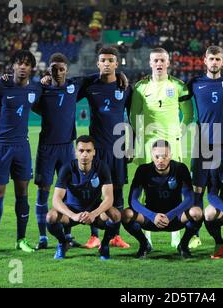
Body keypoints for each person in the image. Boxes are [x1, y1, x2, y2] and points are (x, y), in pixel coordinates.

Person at [0, 50, 42, 254]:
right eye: (19, 63)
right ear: (13, 66)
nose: (22, 67)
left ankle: (21, 240)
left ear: (32, 68)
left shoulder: (36, 88)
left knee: (22, 193)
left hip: (22, 147)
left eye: (26, 64)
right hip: (1, 147)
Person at [130, 47, 194, 248]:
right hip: (148, 144)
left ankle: (176, 235)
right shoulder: (140, 87)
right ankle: (146, 234)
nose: (159, 64)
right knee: (145, 188)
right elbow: (134, 116)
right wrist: (139, 138)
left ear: (168, 63)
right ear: (150, 63)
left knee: (176, 187)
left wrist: (178, 133)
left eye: (162, 60)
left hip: (173, 144)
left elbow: (189, 115)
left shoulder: (178, 86)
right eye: (155, 60)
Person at [185, 45, 223, 249]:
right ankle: (194, 234)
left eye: (218, 59)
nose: (215, 62)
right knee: (198, 191)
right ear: (205, 60)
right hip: (201, 145)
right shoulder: (195, 83)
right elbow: (175, 96)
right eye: (212, 59)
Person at [30, 52, 88, 250]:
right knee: (43, 191)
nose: (58, 72)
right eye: (54, 68)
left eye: (61, 68)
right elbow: (32, 100)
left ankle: (68, 235)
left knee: (69, 191)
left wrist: (121, 76)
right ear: (49, 70)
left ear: (67, 70)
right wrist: (39, 82)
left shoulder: (74, 86)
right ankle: (43, 238)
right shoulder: (42, 89)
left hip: (67, 148)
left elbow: (98, 77)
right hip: (46, 148)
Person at [77, 46, 132, 249]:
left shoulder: (125, 87)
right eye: (103, 60)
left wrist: (131, 145)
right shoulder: (89, 85)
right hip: (97, 149)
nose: (107, 63)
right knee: (94, 191)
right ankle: (94, 236)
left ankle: (115, 236)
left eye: (111, 60)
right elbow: (67, 92)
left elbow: (134, 118)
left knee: (117, 190)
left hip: (118, 147)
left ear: (117, 64)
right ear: (98, 63)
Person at [122, 140, 202, 259]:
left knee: (197, 212)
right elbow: (133, 200)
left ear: (170, 155)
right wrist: (152, 216)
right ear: (151, 156)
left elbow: (190, 198)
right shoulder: (143, 170)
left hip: (175, 218)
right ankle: (144, 245)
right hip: (150, 218)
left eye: (164, 156)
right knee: (126, 214)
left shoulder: (180, 168)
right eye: (157, 156)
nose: (160, 160)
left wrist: (170, 215)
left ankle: (183, 246)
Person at [46, 135, 121, 260]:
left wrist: (93, 214)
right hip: (72, 212)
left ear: (94, 153)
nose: (84, 154)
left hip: (95, 213)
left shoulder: (102, 167)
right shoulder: (67, 168)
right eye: (81, 151)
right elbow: (56, 199)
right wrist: (72, 215)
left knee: (116, 215)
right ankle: (62, 243)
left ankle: (105, 245)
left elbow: (109, 198)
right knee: (51, 217)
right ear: (76, 152)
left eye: (88, 151)